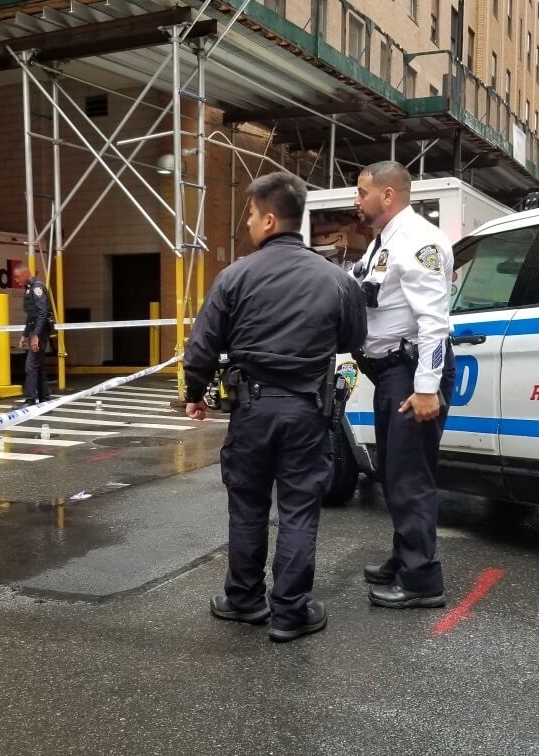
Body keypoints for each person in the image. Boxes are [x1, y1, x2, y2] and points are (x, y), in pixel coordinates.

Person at [184, 171, 366, 643]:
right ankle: (290, 612)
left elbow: (202, 346)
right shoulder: (336, 279)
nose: (247, 224)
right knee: (299, 509)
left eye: (248, 214)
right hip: (308, 410)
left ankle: (244, 600)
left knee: (247, 504)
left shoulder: (235, 276)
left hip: (252, 410)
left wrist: (193, 393)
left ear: (269, 218)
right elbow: (352, 339)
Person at [352, 160, 456, 609]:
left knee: (410, 478)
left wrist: (428, 387)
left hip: (413, 375)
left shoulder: (418, 241)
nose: (356, 202)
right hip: (392, 374)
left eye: (361, 193)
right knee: (396, 474)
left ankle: (421, 581)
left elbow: (434, 324)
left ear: (387, 195)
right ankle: (405, 555)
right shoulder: (384, 243)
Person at [12, 263, 53, 405]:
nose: (16, 280)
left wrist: (35, 335)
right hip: (35, 329)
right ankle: (45, 400)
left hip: (40, 331)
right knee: (38, 366)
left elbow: (42, 312)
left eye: (17, 277)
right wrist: (24, 335)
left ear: (25, 274)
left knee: (30, 366)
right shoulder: (29, 288)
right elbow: (31, 316)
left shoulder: (37, 287)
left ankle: (30, 400)